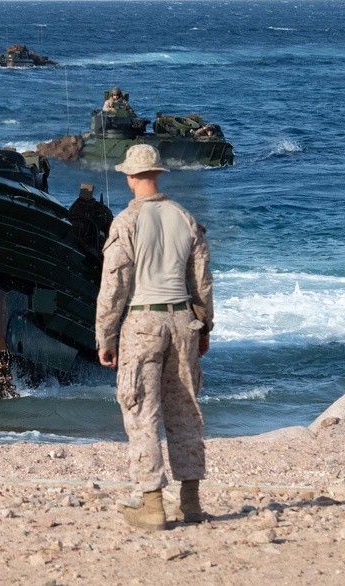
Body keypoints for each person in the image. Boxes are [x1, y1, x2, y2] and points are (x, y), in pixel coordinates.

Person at [96, 144, 214, 532]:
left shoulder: (126, 221)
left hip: (144, 323)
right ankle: (192, 503)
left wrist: (106, 336)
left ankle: (151, 505)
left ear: (130, 177)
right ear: (158, 174)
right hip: (183, 320)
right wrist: (205, 327)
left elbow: (115, 285)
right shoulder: (185, 218)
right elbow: (202, 284)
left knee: (142, 412)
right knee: (185, 411)